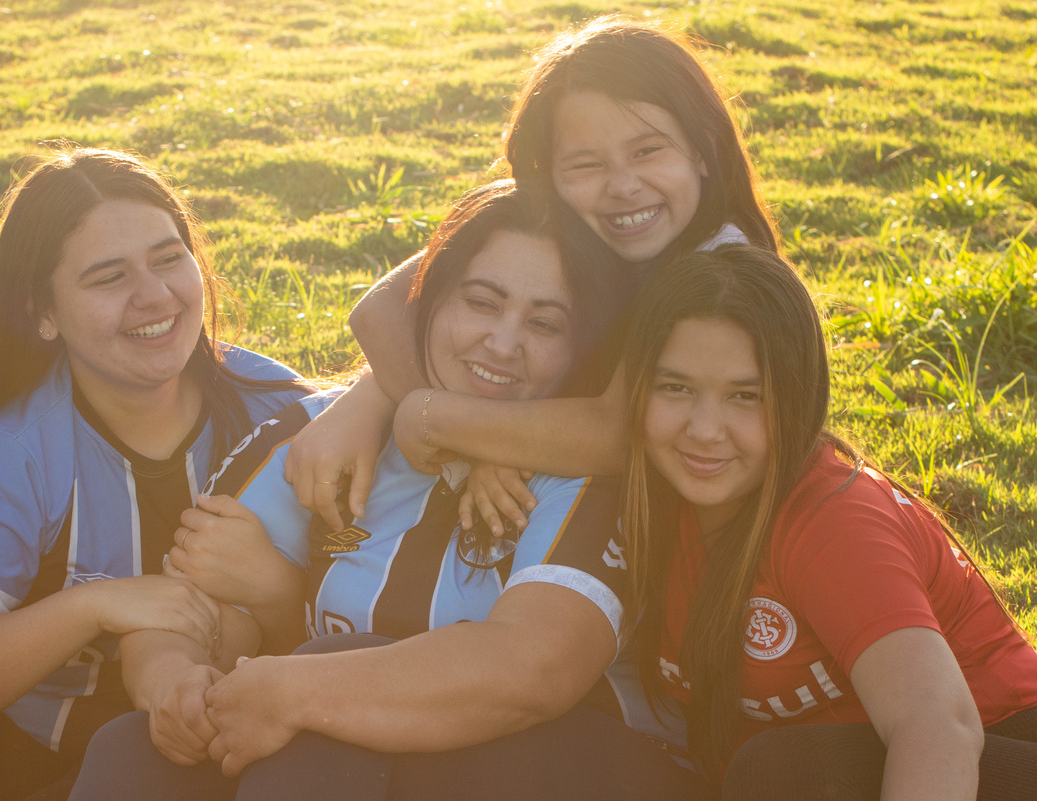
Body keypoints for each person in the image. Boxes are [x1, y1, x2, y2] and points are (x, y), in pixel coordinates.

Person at [67, 182, 713, 801]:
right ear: (427, 300)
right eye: (481, 302)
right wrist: (178, 683)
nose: (503, 341)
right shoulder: (322, 436)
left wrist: (297, 688)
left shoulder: (591, 470)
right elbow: (185, 611)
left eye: (545, 324)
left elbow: (535, 671)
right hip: (360, 763)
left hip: (569, 764)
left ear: (582, 349)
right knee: (135, 746)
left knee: (331, 693)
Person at [0, 147, 308, 801]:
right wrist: (96, 604)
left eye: (170, 257)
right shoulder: (15, 451)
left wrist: (278, 589)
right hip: (22, 751)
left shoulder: (285, 410)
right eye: (108, 277)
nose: (155, 294)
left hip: (234, 751)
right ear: (42, 313)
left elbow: (378, 612)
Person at [286, 14, 779, 546]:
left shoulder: (717, 272)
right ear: (547, 179)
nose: (622, 186)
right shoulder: (590, 236)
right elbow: (382, 309)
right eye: (585, 165)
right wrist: (381, 402)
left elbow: (616, 432)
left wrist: (438, 420)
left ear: (704, 149)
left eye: (648, 151)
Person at [621, 244, 1037, 800]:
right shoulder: (643, 493)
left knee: (779, 770)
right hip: (848, 766)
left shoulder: (833, 519)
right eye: (676, 388)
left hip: (981, 755)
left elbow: (938, 725)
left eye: (746, 396)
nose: (704, 429)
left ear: (798, 398)